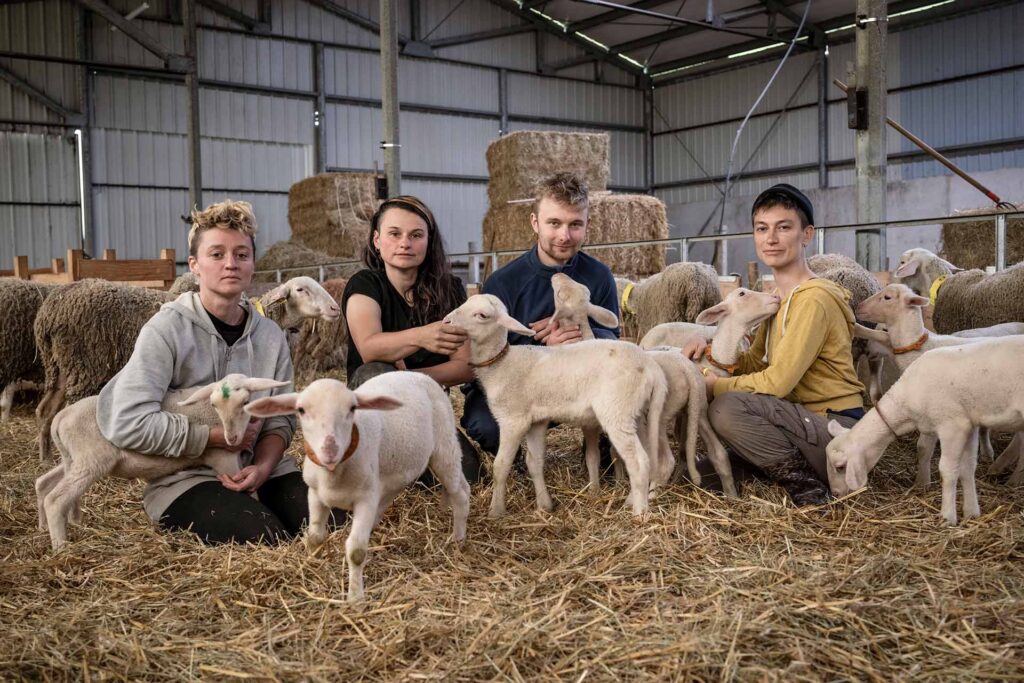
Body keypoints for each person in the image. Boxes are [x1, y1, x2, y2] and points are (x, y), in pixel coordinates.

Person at [97, 200, 311, 544]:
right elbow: (126, 421)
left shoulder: (270, 336)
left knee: (329, 523)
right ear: (194, 265)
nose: (231, 264)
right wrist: (210, 439)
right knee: (264, 537)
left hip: (259, 468)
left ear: (253, 264)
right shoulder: (166, 330)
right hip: (185, 477)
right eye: (217, 254)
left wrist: (264, 467)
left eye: (242, 255)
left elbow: (280, 420)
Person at [684, 184, 865, 506]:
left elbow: (778, 382)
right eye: (762, 229)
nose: (771, 239)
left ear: (806, 234)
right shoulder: (776, 301)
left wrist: (716, 386)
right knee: (694, 475)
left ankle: (806, 486)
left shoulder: (815, 299)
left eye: (784, 228)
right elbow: (756, 363)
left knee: (726, 408)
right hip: (796, 419)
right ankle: (769, 464)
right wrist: (713, 350)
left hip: (837, 427)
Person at [460, 172, 620, 458]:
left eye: (575, 225)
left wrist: (581, 341)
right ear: (535, 223)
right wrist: (544, 349)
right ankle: (517, 460)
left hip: (576, 385)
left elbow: (613, 342)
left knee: (623, 393)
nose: (564, 235)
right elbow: (485, 353)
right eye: (554, 223)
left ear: (587, 225)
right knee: (485, 425)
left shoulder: (599, 276)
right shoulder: (504, 282)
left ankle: (603, 452)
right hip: (520, 386)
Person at [341, 195, 483, 482]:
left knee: (470, 476)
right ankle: (373, 460)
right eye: (395, 234)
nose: (405, 242)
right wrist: (423, 336)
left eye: (416, 235)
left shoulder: (450, 289)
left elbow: (465, 365)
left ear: (429, 242)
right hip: (374, 411)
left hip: (425, 408)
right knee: (374, 372)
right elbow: (370, 348)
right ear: (377, 240)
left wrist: (413, 377)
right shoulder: (365, 284)